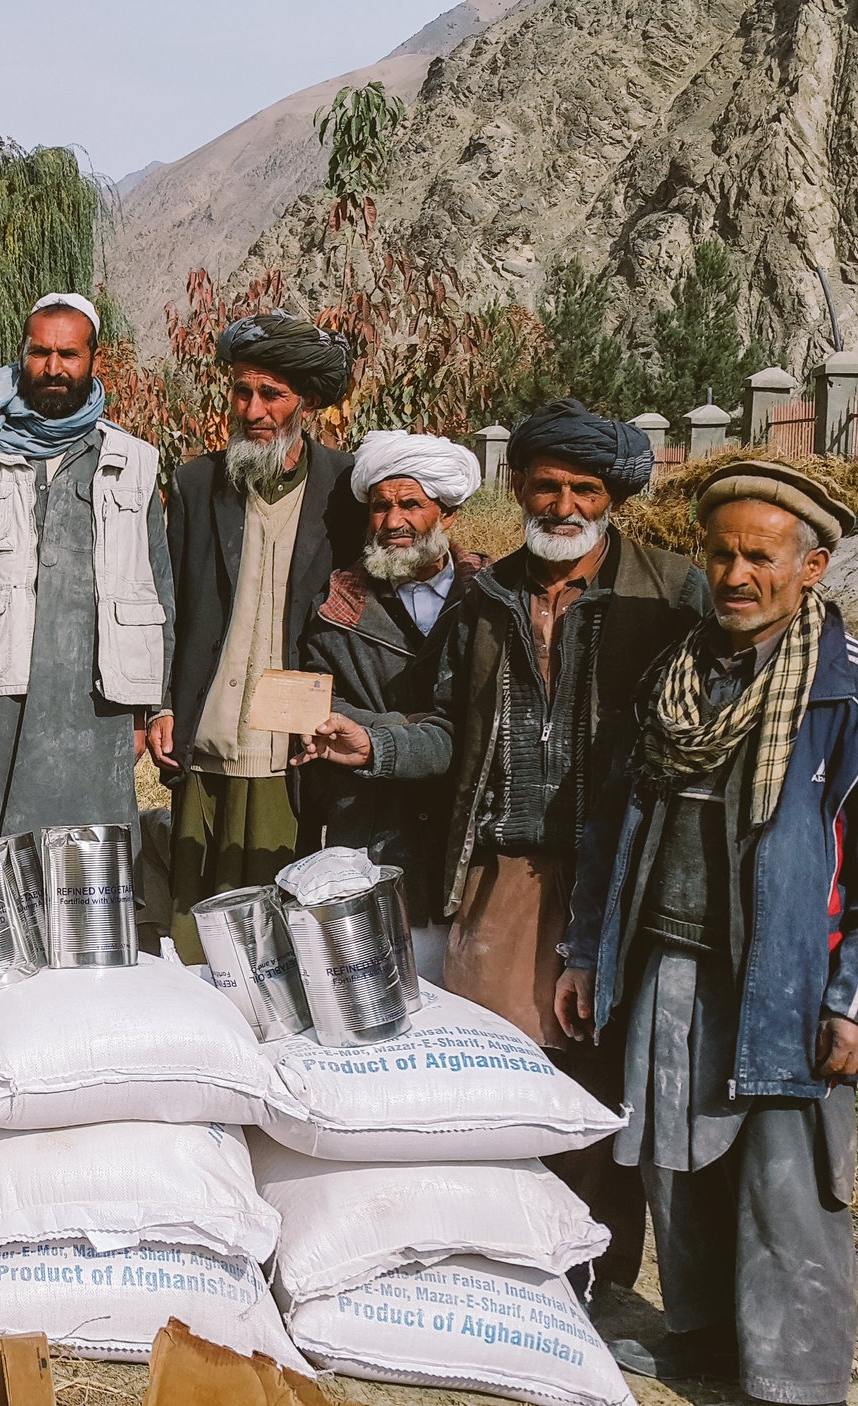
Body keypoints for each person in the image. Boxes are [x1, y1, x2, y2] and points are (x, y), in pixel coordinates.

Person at [300, 397, 708, 1293]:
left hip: (623, 879)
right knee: (497, 1080)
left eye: (585, 490)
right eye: (548, 487)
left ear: (614, 498)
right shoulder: (486, 599)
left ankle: (591, 1281)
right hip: (499, 871)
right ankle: (499, 1275)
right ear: (519, 487)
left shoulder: (670, 592)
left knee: (598, 1088)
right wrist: (377, 744)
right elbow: (450, 729)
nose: (564, 507)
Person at [563, 460, 858, 1400]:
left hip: (785, 975)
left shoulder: (844, 696)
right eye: (721, 552)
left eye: (760, 558)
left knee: (785, 1181)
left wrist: (851, 1001)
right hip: (669, 958)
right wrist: (584, 952)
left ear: (811, 569)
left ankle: (793, 1379)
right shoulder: (676, 676)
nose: (736, 574)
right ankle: (696, 1337)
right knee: (672, 1161)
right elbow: (613, 823)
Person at [0, 293, 173, 846]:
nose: (54, 368)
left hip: (101, 702)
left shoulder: (132, 461)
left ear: (94, 361)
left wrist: (152, 706)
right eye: (40, 353)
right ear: (22, 357)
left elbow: (157, 587)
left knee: (92, 874)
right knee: (1, 867)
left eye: (69, 354)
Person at [150, 312, 363, 944]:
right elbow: (171, 606)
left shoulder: (345, 489)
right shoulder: (195, 483)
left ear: (309, 402)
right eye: (243, 391)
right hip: (210, 722)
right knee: (198, 907)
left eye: (272, 394)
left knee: (280, 908)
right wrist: (163, 705)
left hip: (293, 737)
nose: (253, 408)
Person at [294, 430, 487, 978]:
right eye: (381, 506)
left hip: (460, 834)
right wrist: (401, 733)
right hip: (370, 825)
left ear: (446, 514)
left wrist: (392, 736)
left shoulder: (492, 599)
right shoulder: (338, 603)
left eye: (411, 505)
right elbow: (316, 698)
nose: (393, 522)